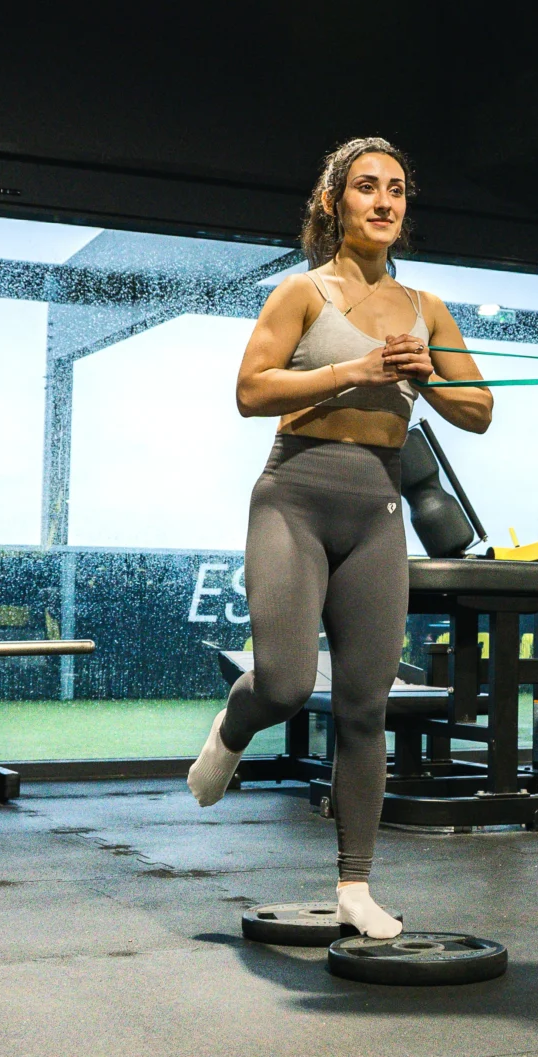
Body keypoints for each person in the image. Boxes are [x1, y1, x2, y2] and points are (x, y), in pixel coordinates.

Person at [187, 138, 491, 939]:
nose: (384, 202)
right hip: (293, 496)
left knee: (365, 704)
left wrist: (429, 376)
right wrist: (350, 372)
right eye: (366, 188)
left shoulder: (425, 309)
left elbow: (481, 408)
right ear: (335, 203)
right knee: (286, 683)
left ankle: (355, 884)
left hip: (377, 511)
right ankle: (233, 725)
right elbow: (252, 390)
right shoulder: (301, 292)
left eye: (396, 189)